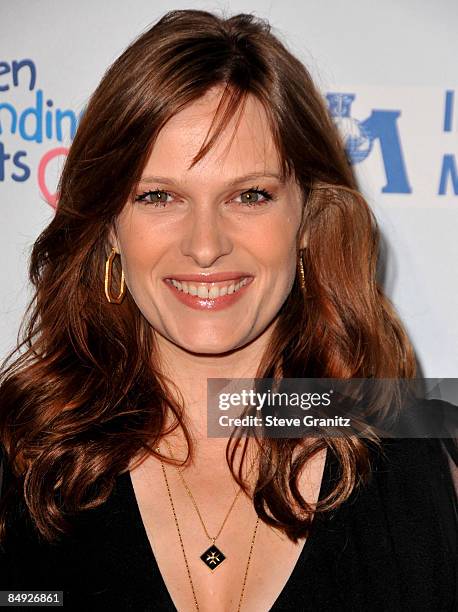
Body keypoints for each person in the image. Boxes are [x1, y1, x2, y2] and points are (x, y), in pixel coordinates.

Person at [0, 9, 456, 611]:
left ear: (307, 218)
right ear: (110, 226)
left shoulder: (431, 465)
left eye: (250, 195)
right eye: (158, 196)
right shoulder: (23, 456)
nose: (206, 245)